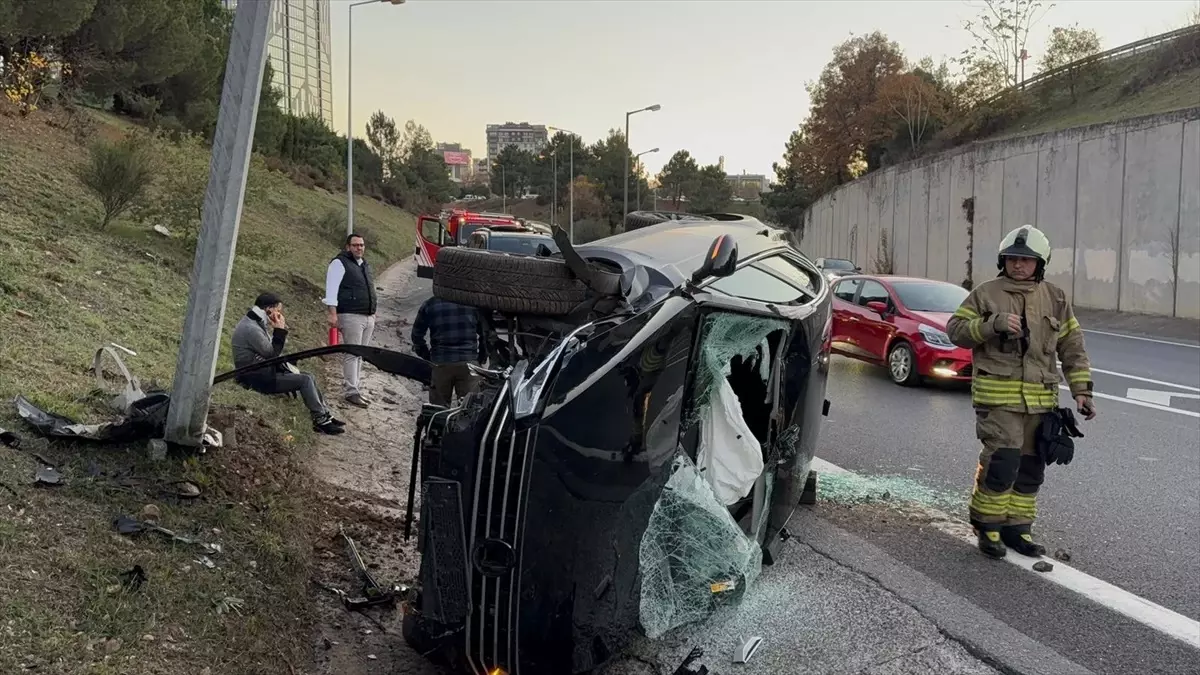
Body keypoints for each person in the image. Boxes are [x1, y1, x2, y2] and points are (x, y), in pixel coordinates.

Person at [946, 225, 1096, 559]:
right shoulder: (986, 294)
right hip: (999, 400)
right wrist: (991, 324)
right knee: (1003, 462)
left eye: (1027, 260)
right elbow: (955, 330)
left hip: (1041, 401)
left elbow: (1072, 346)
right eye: (1013, 259)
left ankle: (1019, 529)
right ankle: (988, 526)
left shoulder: (1056, 298)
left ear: (1040, 264)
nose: (1018, 265)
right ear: (1003, 260)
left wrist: (1082, 390)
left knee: (1031, 467)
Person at [231, 293, 345, 435]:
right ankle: (319, 420)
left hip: (261, 371)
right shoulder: (251, 328)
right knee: (305, 380)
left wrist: (278, 331)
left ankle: (325, 413)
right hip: (255, 378)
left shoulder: (255, 322)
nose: (279, 314)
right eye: (278, 311)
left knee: (309, 375)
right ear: (269, 310)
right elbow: (271, 354)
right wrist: (279, 330)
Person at [324, 233, 377, 408]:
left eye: (361, 245)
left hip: (368, 316)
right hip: (351, 315)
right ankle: (351, 391)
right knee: (352, 354)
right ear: (348, 247)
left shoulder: (364, 265)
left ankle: (356, 388)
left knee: (360, 354)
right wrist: (332, 314)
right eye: (355, 245)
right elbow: (331, 290)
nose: (359, 248)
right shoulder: (339, 263)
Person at [410, 296, 487, 406]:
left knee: (438, 409)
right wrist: (480, 358)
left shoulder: (430, 304)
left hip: (441, 363)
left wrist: (427, 356)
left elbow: (417, 335)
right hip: (469, 364)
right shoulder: (474, 304)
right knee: (469, 410)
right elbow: (485, 335)